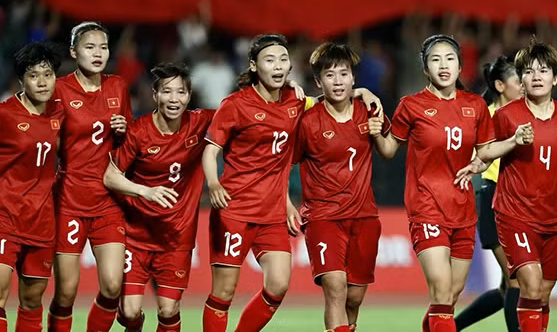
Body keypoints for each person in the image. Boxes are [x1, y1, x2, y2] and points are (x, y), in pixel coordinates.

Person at [201, 34, 382, 332]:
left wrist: (361, 91)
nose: (278, 66)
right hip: (235, 208)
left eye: (283, 59)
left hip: (271, 213)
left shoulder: (295, 101)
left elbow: (331, 98)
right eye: (269, 60)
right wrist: (213, 183)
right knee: (223, 292)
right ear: (254, 66)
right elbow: (211, 150)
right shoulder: (235, 105)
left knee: (278, 285)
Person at [371, 34, 530, 332]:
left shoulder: (475, 106)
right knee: (442, 292)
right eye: (435, 59)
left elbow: (484, 152)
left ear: (459, 66)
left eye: (450, 59)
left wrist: (511, 141)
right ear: (425, 69)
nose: (443, 65)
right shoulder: (412, 106)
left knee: (451, 296)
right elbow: (390, 149)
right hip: (426, 206)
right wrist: (376, 131)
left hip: (463, 209)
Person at [459, 38, 557, 332]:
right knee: (528, 281)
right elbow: (486, 152)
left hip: (555, 217)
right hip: (514, 213)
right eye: (528, 72)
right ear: (522, 79)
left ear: (555, 77)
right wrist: (512, 141)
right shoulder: (506, 116)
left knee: (542, 290)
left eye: (543, 71)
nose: (536, 77)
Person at [103, 62, 215, 332]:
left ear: (189, 96)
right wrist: (146, 191)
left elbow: (243, 109)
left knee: (168, 309)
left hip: (175, 236)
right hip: (136, 235)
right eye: (167, 91)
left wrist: (304, 100)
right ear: (155, 95)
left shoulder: (200, 122)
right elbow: (110, 176)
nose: (174, 99)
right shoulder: (139, 131)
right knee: (129, 312)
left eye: (181, 92)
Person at [291, 43, 390, 332]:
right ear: (319, 82)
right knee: (335, 287)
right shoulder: (308, 122)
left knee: (354, 297)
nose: (338, 81)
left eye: (343, 74)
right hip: (322, 216)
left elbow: (389, 150)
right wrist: (286, 202)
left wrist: (378, 133)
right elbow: (283, 164)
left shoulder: (369, 109)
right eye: (330, 75)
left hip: (364, 216)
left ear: (353, 79)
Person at [48, 22, 133, 332]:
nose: (98, 53)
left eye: (103, 47)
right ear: (74, 51)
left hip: (108, 202)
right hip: (69, 199)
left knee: (112, 286)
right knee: (66, 292)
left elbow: (127, 148)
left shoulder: (118, 87)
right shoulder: (58, 89)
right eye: (89, 47)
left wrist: (125, 133)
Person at [455, 56, 523, 332]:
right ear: (500, 85)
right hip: (495, 198)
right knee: (516, 279)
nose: (524, 85)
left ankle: (449, 328)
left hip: (516, 200)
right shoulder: (490, 117)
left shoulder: (521, 115)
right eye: (518, 81)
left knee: (507, 286)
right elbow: (479, 157)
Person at [0, 42, 64, 332]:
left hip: (42, 221)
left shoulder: (61, 114)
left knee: (31, 300)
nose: (41, 81)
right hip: (6, 215)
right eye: (33, 75)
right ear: (21, 80)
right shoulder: (5, 114)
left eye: (47, 74)